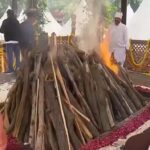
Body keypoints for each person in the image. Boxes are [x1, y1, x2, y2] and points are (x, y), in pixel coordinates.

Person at [0, 9, 21, 73]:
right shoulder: (16, 21)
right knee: (17, 56)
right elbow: (20, 30)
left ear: (7, 14)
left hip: (9, 41)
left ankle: (11, 69)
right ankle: (18, 68)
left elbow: (1, 31)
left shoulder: (5, 21)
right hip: (17, 41)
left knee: (10, 56)